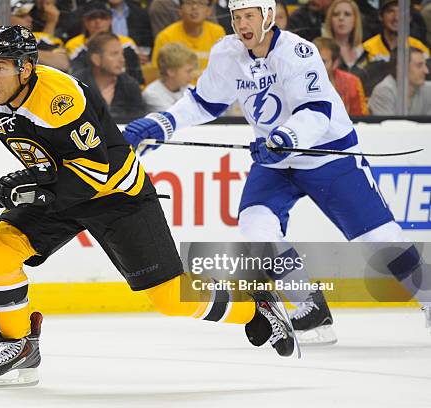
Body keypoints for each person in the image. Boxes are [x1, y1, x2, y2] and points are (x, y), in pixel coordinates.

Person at [0, 25, 298, 387]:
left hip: (116, 195)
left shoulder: (59, 100)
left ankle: (256, 306)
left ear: (26, 68)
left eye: (2, 67)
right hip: (57, 189)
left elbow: (94, 173)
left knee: (171, 298)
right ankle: (21, 346)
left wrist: (32, 188)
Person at [123, 0, 431, 344]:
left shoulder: (298, 52)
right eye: (236, 17)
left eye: (249, 16)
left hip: (327, 156)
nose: (241, 24)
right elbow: (202, 102)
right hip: (275, 162)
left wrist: (284, 137)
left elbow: (317, 112)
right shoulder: (227, 54)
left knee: (378, 240)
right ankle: (310, 310)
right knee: (256, 227)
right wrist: (159, 124)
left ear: (267, 16)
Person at [65, 1, 143, 84]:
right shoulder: (74, 44)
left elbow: (136, 75)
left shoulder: (127, 43)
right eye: (92, 17)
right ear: (85, 21)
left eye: (103, 17)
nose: (98, 21)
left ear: (110, 20)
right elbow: (77, 75)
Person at [74, 32, 146, 119]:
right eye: (114, 54)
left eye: (122, 54)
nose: (122, 60)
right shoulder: (77, 85)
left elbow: (139, 119)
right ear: (96, 59)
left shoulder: (130, 85)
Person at [152, 0, 226, 72]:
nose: (194, 7)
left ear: (209, 11)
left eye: (201, 3)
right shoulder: (165, 37)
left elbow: (224, 67)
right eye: (189, 2)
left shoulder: (218, 33)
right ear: (180, 10)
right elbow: (158, 73)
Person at [362, 0, 429, 64]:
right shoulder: (367, 49)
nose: (396, 18)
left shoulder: (420, 48)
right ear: (380, 16)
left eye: (402, 12)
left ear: (410, 18)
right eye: (390, 11)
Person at [314, 37, 368, 116]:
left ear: (335, 63)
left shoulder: (352, 83)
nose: (316, 65)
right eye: (314, 60)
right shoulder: (298, 80)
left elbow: (361, 119)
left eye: (323, 61)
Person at [368, 47, 431, 115]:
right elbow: (389, 125)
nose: (426, 71)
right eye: (419, 65)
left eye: (425, 65)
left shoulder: (428, 90)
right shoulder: (384, 92)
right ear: (401, 68)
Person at [143, 42, 198, 111]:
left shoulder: (190, 88)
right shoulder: (152, 94)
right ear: (171, 72)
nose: (192, 75)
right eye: (188, 71)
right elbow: (175, 118)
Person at [322, 0, 368, 78]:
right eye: (336, 14)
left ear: (355, 20)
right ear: (330, 20)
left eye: (347, 14)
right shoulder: (321, 51)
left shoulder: (364, 51)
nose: (341, 18)